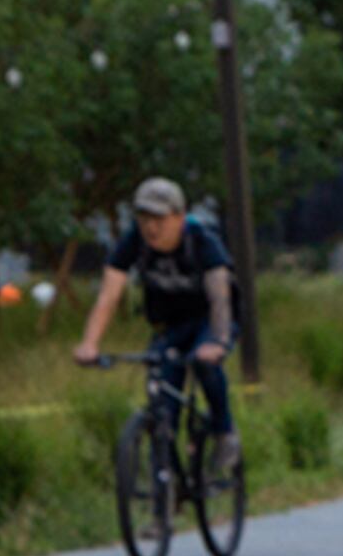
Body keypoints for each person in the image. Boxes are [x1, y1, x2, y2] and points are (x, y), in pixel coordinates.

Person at [73, 177, 237, 475]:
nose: (151, 227)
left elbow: (220, 298)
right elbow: (109, 296)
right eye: (144, 217)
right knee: (162, 402)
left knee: (205, 363)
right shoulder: (134, 241)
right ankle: (165, 494)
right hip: (169, 325)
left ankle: (224, 432)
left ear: (179, 215)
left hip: (208, 322)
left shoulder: (201, 240)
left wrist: (219, 341)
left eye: (159, 218)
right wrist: (90, 343)